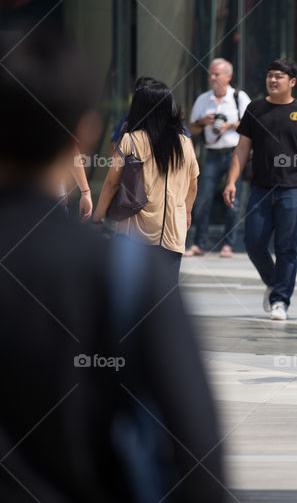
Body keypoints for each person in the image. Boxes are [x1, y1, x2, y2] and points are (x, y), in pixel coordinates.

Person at [0, 26, 226, 501]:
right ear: (84, 130)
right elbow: (198, 449)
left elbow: (114, 185)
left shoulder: (134, 150)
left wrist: (101, 211)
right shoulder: (123, 275)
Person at [223, 58, 297, 321]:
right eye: (270, 75)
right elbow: (242, 148)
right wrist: (232, 180)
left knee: (286, 246)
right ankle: (274, 281)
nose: (273, 80)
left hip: (293, 189)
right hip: (260, 188)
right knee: (253, 242)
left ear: (292, 82)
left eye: (279, 76)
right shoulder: (255, 109)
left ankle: (280, 300)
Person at [93, 80, 200, 286]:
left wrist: (98, 217)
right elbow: (193, 184)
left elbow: (111, 184)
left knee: (131, 292)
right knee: (166, 292)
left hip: (135, 230)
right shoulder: (184, 142)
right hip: (172, 230)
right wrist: (186, 212)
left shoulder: (130, 141)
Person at [184, 58, 250, 258]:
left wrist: (229, 125)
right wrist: (203, 122)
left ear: (228, 76)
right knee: (203, 198)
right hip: (212, 153)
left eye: (217, 74)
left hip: (234, 153)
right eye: (211, 74)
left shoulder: (239, 97)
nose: (212, 78)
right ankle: (198, 243)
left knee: (233, 199)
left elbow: (252, 124)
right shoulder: (203, 99)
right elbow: (190, 129)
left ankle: (228, 245)